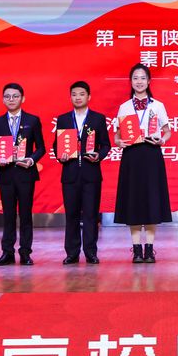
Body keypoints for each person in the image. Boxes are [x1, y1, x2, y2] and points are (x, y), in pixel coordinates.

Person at [114, 63, 173, 263]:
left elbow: (167, 131)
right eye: (135, 78)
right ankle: (136, 250)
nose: (139, 81)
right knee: (133, 201)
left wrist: (161, 140)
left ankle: (149, 248)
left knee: (151, 200)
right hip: (131, 156)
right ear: (131, 82)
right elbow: (117, 135)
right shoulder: (124, 107)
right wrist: (119, 142)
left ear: (149, 81)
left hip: (151, 154)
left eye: (142, 78)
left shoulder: (158, 106)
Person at [53, 81, 111, 265]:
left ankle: (91, 252)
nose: (77, 97)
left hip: (91, 173)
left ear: (89, 96)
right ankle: (72, 253)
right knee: (71, 215)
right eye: (74, 94)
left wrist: (99, 155)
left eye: (81, 94)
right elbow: (56, 145)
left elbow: (106, 145)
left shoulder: (97, 118)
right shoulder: (63, 119)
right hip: (70, 174)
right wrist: (60, 156)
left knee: (91, 215)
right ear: (70, 97)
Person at [0, 83, 46, 266]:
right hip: (6, 175)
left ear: (23, 98)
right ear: (2, 99)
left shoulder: (33, 120)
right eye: (7, 96)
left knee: (25, 214)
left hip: (25, 174)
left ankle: (25, 252)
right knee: (8, 215)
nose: (11, 99)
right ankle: (7, 252)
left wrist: (31, 160)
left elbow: (41, 148)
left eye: (15, 96)